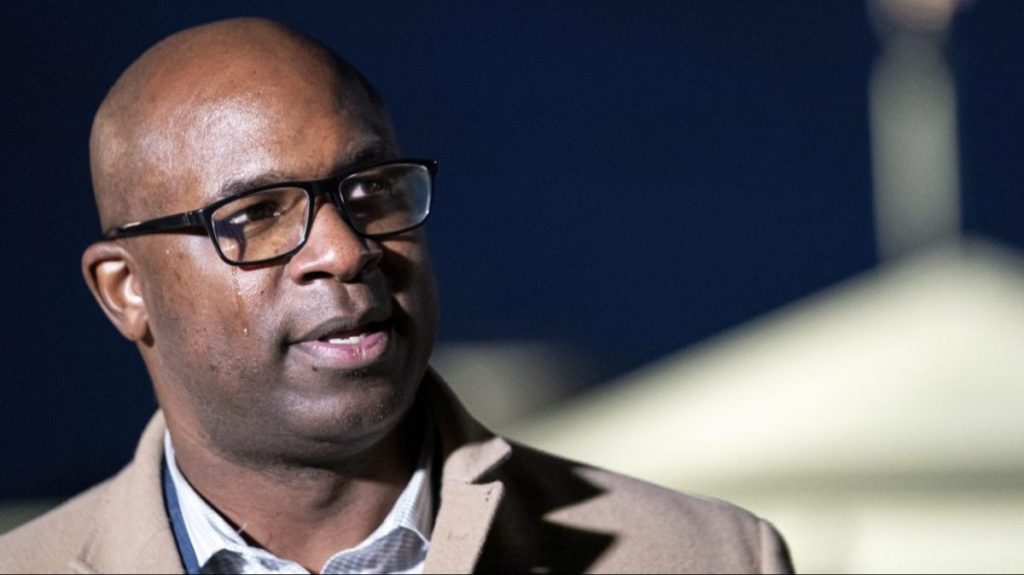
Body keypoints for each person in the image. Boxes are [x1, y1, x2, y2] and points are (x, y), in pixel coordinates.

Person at [0, 17, 793, 574]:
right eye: (257, 213)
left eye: (371, 190)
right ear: (126, 290)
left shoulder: (710, 558)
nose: (345, 249)